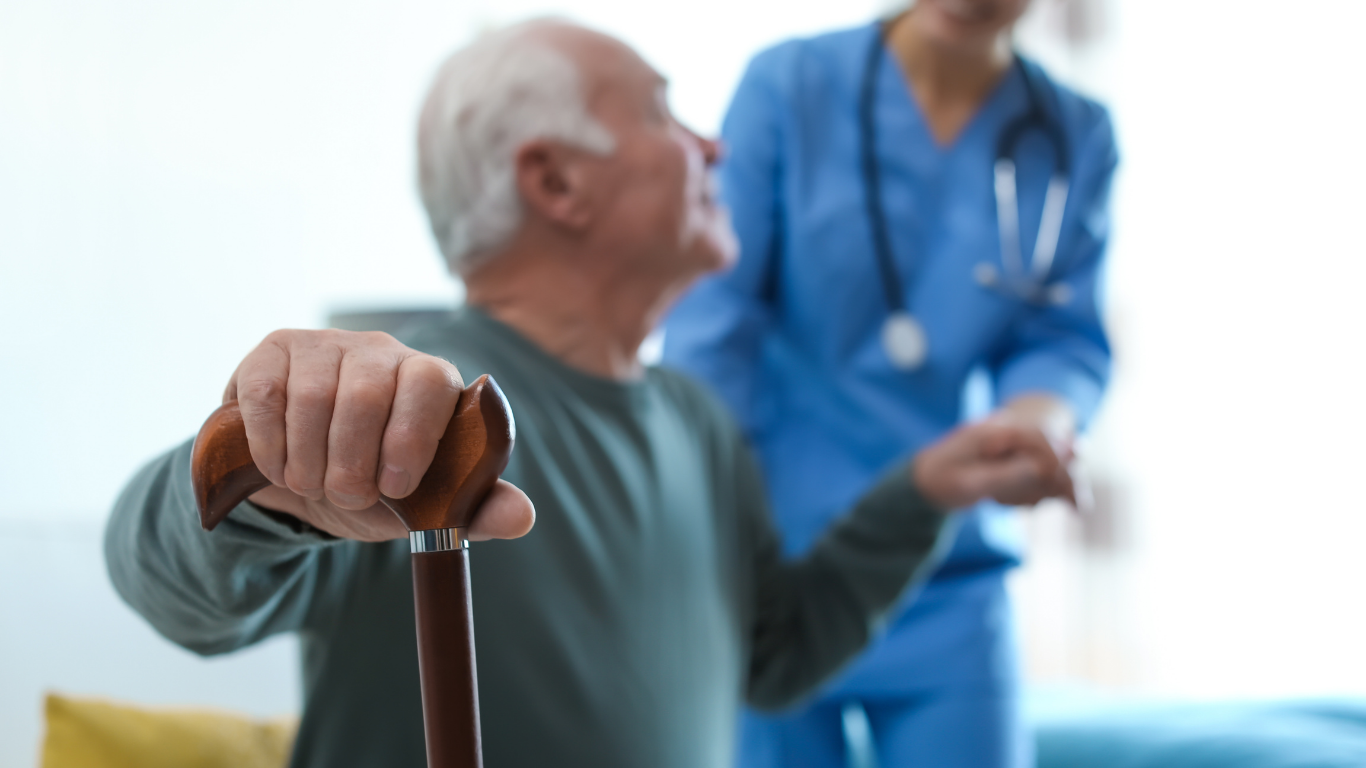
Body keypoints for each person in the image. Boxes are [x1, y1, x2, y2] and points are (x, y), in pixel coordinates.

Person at [105, 19, 1076, 768]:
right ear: (557, 181)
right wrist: (264, 473)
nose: (715, 147)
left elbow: (774, 657)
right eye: (662, 114)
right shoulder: (410, 412)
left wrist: (922, 495)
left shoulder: (695, 421)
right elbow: (163, 580)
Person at [662, 1, 1118, 766]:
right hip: (777, 559)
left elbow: (1061, 336)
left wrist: (1037, 423)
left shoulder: (1073, 131)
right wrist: (702, 518)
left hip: (949, 563)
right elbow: (714, 321)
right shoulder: (792, 84)